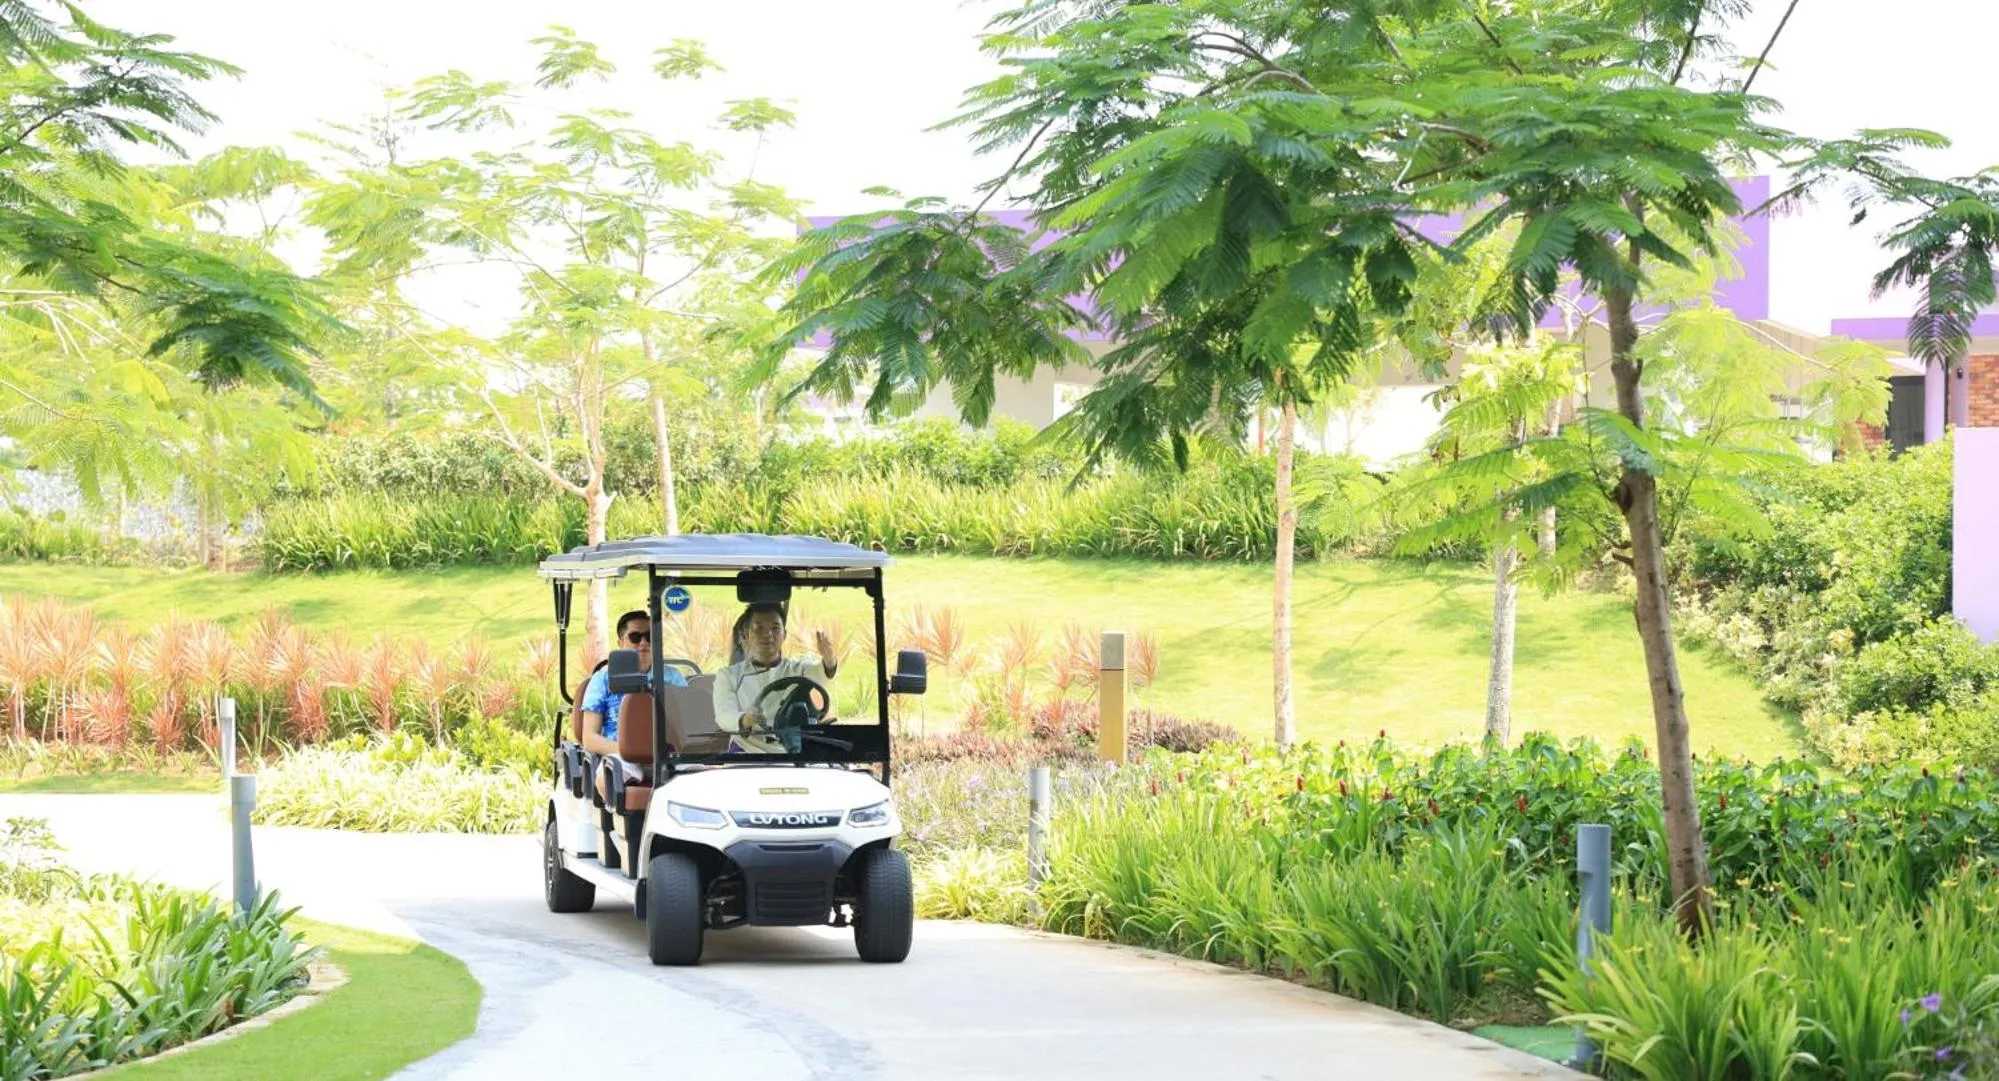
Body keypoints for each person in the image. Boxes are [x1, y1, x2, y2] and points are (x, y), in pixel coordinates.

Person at [580, 609, 687, 802]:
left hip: (669, 755)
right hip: (623, 754)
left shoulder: (672, 677)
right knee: (606, 779)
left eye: (649, 637)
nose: (644, 643)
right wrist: (630, 750)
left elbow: (688, 724)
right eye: (635, 637)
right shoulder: (603, 679)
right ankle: (616, 830)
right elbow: (589, 738)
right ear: (621, 643)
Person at [714, 603, 839, 753]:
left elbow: (822, 677)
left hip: (794, 750)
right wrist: (745, 719)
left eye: (775, 628)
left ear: (784, 635)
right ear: (746, 635)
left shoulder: (799, 669)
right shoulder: (728, 676)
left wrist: (829, 659)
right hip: (748, 750)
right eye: (759, 628)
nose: (768, 635)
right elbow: (724, 714)